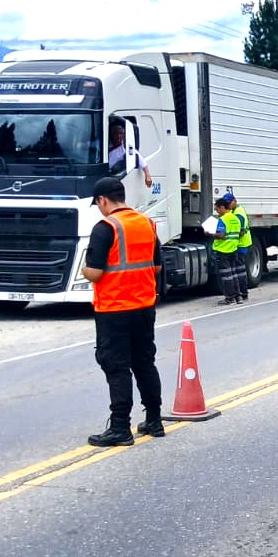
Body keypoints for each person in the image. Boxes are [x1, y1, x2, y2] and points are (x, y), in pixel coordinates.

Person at [82, 176, 164, 447]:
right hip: (144, 306)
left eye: (98, 204)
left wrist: (83, 268)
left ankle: (120, 427)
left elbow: (94, 273)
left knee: (116, 367)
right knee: (144, 362)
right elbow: (158, 267)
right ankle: (154, 420)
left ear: (103, 200)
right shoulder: (147, 223)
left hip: (114, 309)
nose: (99, 208)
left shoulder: (105, 227)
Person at [207, 197, 246, 305]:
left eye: (217, 210)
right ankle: (238, 297)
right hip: (233, 250)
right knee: (234, 274)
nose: (217, 212)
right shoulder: (236, 219)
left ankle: (229, 298)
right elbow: (240, 233)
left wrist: (209, 233)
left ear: (223, 207)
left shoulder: (222, 220)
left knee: (226, 276)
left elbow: (221, 235)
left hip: (222, 251)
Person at [107, 120, 152, 187]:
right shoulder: (107, 148)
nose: (118, 136)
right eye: (116, 133)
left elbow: (140, 160)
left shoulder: (126, 149)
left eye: (121, 133)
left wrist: (147, 176)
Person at [224, 192, 252, 300]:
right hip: (240, 244)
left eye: (229, 203)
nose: (228, 205)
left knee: (239, 270)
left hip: (241, 244)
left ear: (234, 201)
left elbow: (240, 231)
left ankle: (241, 293)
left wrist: (227, 236)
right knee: (239, 270)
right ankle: (242, 294)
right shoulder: (235, 211)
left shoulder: (238, 214)